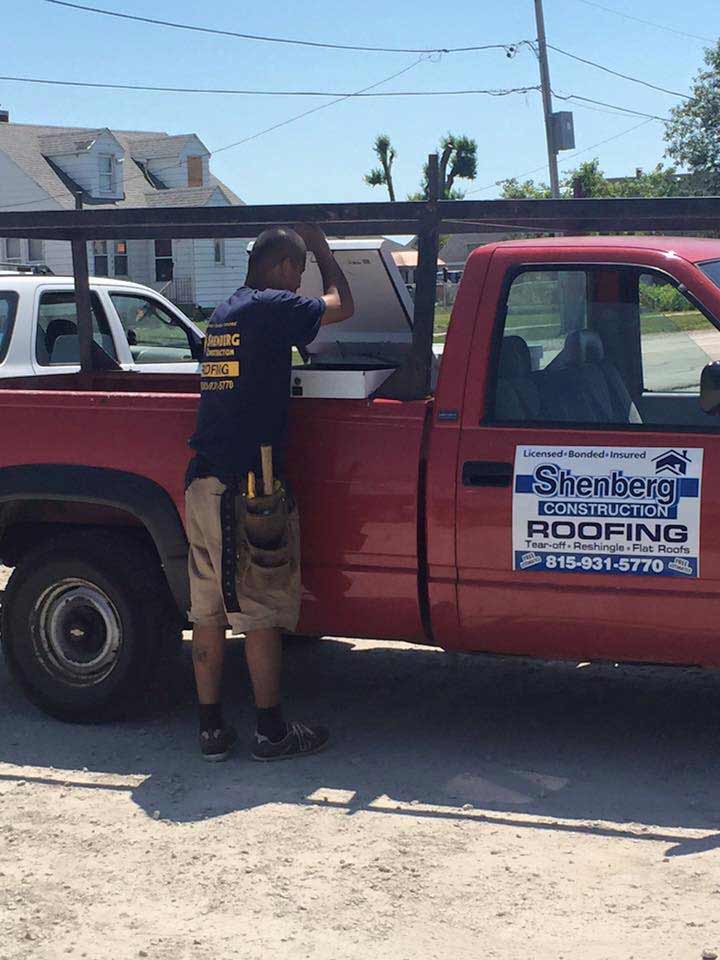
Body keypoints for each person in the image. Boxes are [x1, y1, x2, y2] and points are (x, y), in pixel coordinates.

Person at [185, 224, 354, 762]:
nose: (299, 282)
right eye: (297, 271)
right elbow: (342, 305)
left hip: (204, 481)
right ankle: (270, 732)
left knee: (207, 612)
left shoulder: (225, 313)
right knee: (260, 610)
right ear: (283, 266)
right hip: (246, 487)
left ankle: (211, 731)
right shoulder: (269, 307)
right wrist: (325, 251)